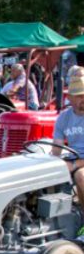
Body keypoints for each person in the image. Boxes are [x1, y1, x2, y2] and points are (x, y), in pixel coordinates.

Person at [53, 68, 84, 204]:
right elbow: (56, 149)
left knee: (80, 175)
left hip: (78, 163)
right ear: (69, 97)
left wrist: (74, 164)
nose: (83, 98)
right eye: (79, 95)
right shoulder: (63, 118)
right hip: (74, 160)